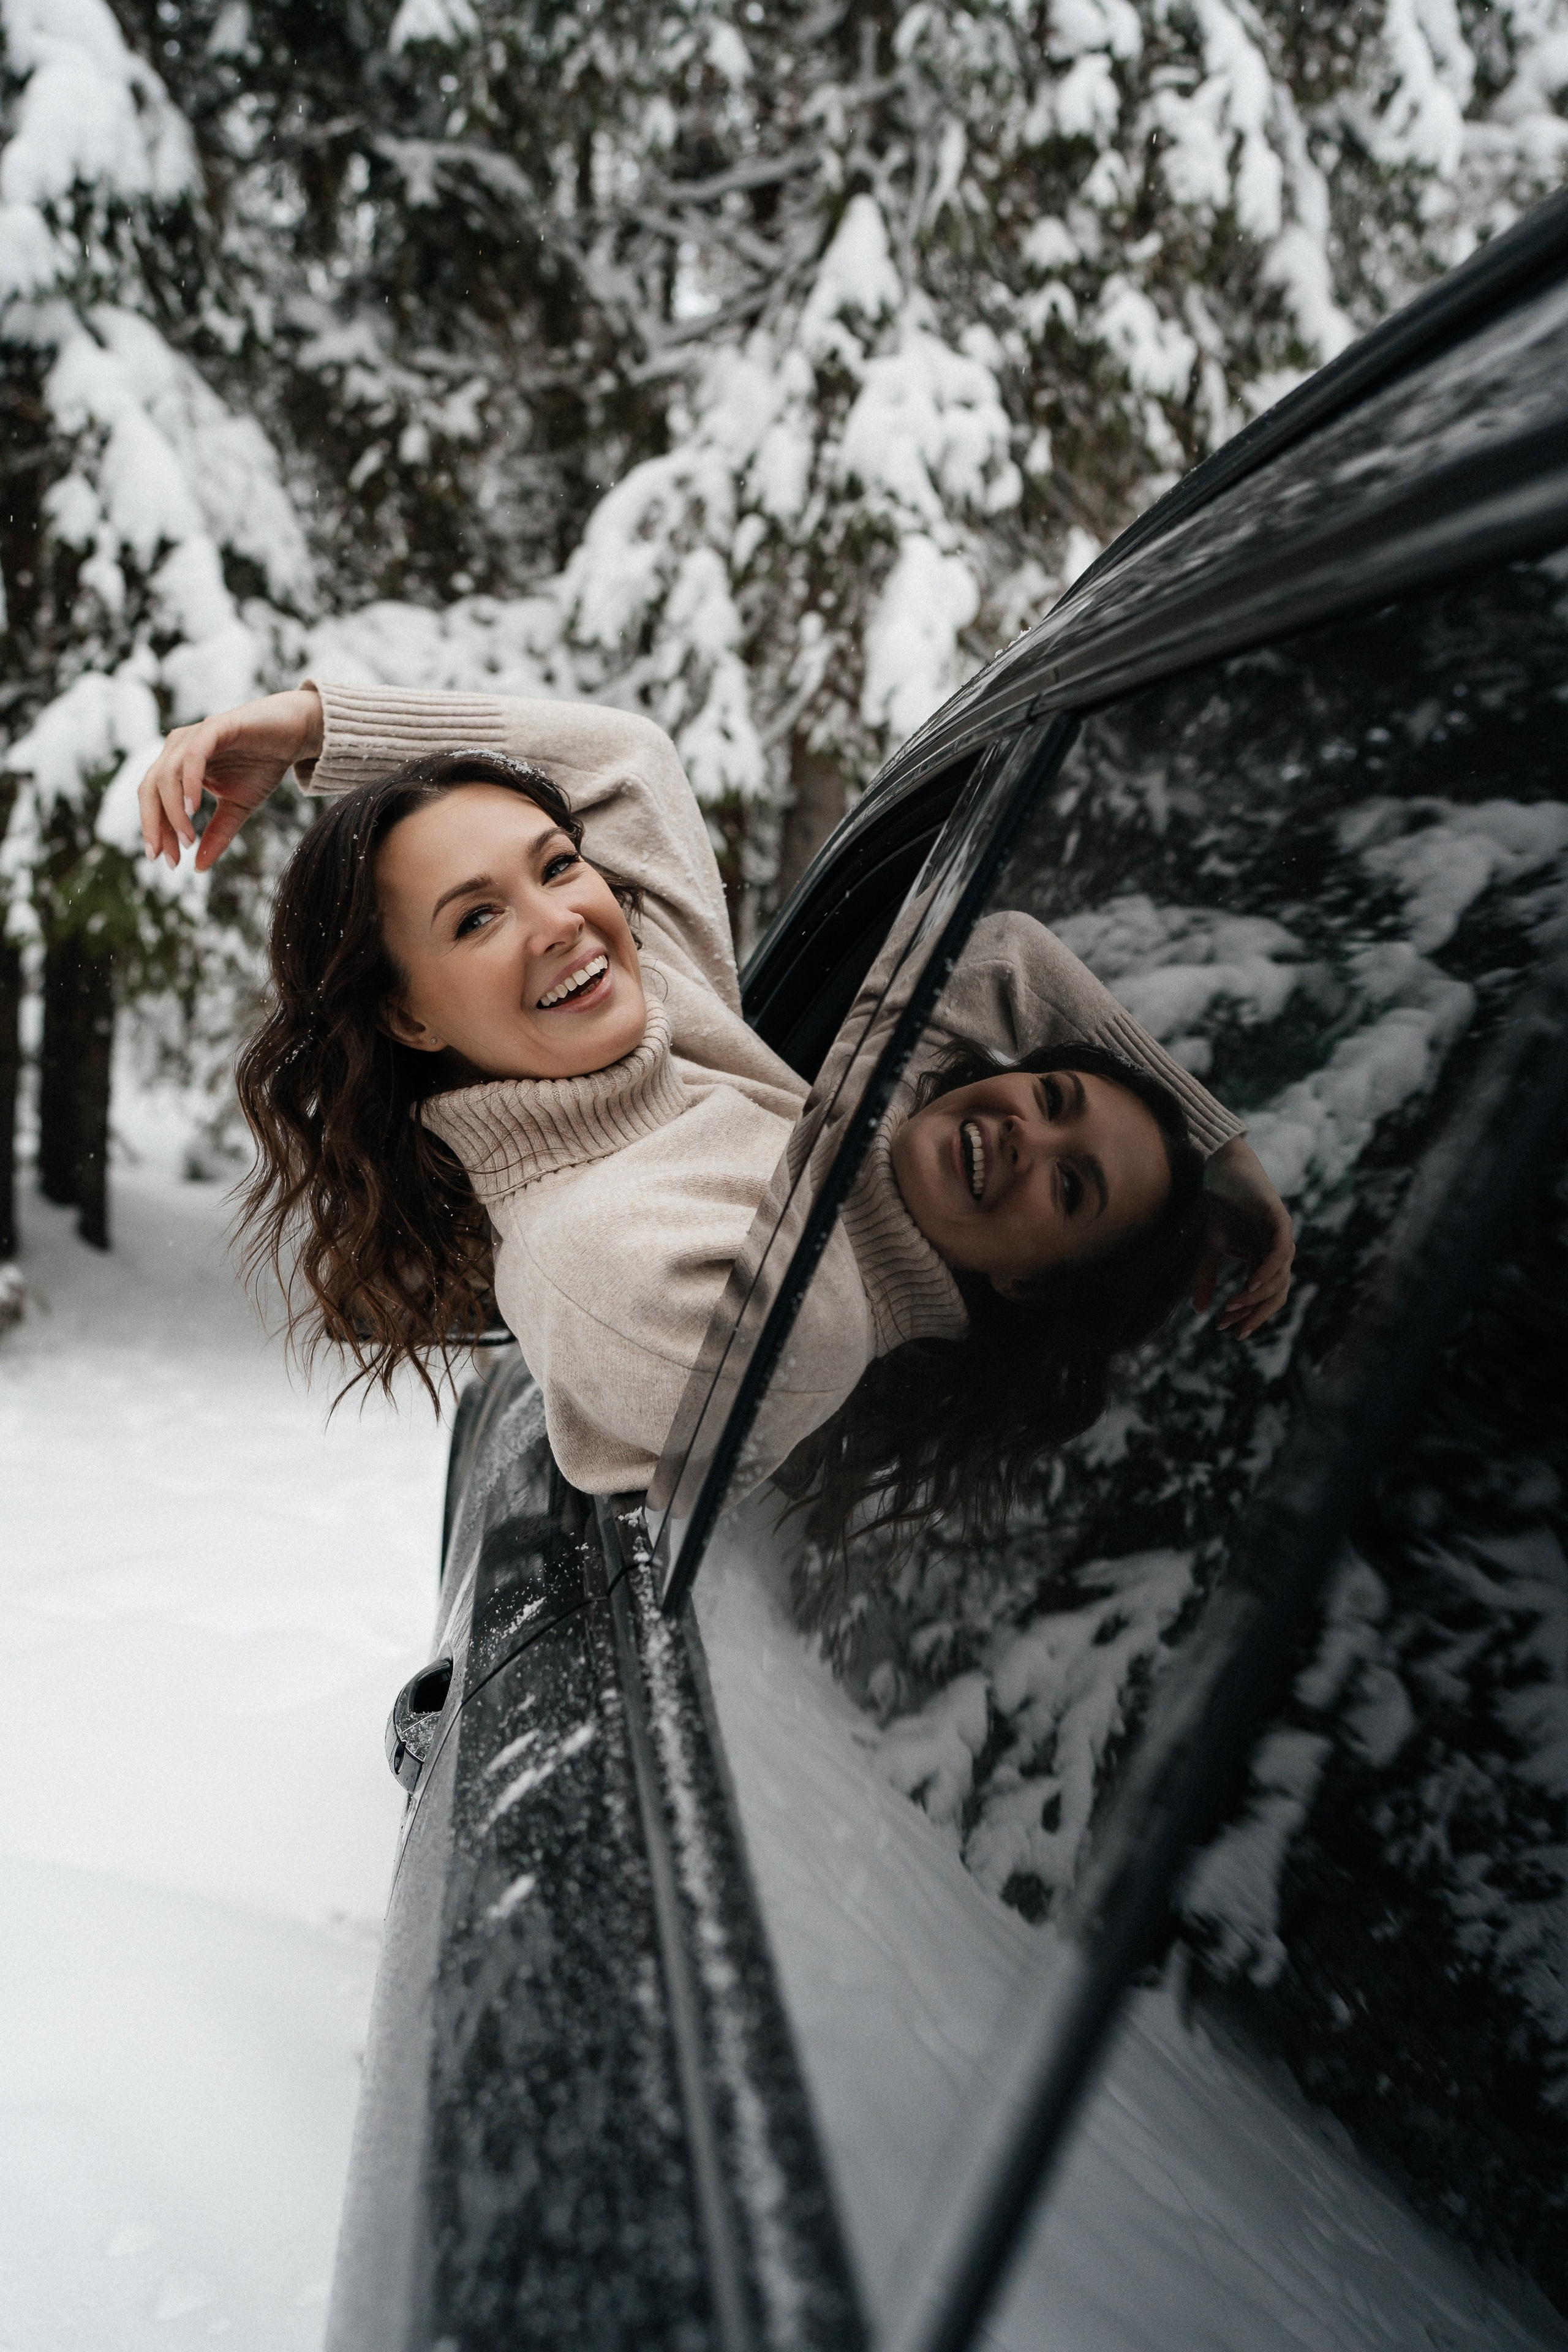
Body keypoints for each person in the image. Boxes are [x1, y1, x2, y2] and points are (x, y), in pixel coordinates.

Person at [137, 685, 1294, 1502]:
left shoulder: (661, 1019)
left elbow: (631, 764)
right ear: (410, 1016)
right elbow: (785, 1346)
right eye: (476, 918)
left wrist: (313, 729)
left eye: (557, 864)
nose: (567, 923)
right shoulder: (603, 1249)